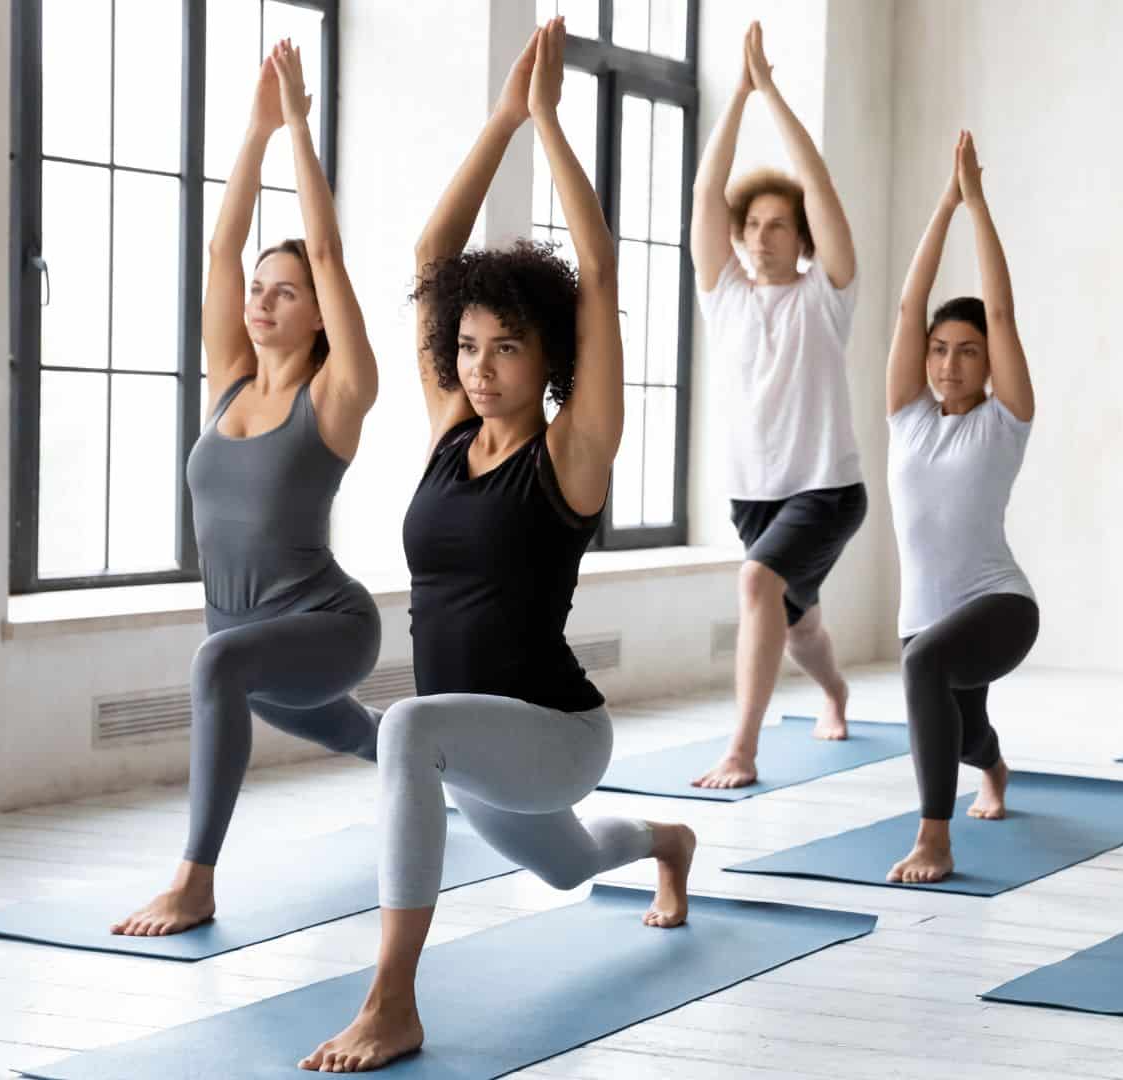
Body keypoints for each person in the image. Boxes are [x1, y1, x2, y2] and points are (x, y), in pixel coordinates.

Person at [300, 21, 694, 1072]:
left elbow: (600, 273)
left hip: (557, 731)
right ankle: (668, 846)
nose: (478, 368)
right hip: (481, 750)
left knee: (404, 729)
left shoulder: (574, 454)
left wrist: (552, 126)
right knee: (569, 866)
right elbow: (434, 258)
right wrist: (501, 117)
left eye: (505, 348)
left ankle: (392, 1001)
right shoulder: (446, 436)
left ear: (547, 357)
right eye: (467, 348)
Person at [113, 40, 381, 939]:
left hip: (325, 626)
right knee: (359, 735)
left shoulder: (337, 398)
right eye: (258, 290)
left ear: (318, 312)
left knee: (221, 668)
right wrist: (255, 131)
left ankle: (195, 882)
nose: (261, 301)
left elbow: (333, 251)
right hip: (250, 641)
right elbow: (223, 245)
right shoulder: (228, 376)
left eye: (286, 292)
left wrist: (301, 126)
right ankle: (429, 759)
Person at [689, 21, 866, 790]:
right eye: (751, 225)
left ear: (802, 240)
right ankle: (833, 690)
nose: (761, 237)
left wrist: (774, 97)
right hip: (752, 497)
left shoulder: (826, 299)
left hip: (826, 489)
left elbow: (819, 186)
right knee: (800, 626)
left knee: (758, 585)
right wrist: (734, 98)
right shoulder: (723, 296)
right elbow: (704, 194)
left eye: (778, 225)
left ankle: (742, 749)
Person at [882, 131, 1039, 885]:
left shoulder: (1004, 420)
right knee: (964, 729)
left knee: (921, 665)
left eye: (967, 350)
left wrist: (978, 209)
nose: (948, 361)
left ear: (988, 360)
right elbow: (910, 306)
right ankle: (995, 767)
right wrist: (940, 205)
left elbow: (1003, 312)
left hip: (999, 606)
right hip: (926, 614)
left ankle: (934, 838)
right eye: (940, 348)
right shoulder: (907, 416)